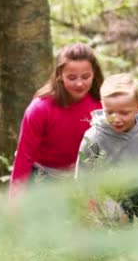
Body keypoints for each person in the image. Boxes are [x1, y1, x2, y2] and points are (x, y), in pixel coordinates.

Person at [8, 43, 104, 199]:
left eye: (86, 76)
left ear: (94, 74)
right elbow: (24, 156)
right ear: (60, 75)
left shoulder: (101, 104)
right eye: (72, 77)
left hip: (84, 176)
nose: (79, 83)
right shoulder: (40, 108)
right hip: (43, 177)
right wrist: (15, 199)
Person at [75, 73, 138, 221]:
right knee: (120, 223)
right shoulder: (95, 137)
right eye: (110, 112)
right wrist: (100, 201)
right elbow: (84, 174)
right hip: (110, 192)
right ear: (102, 107)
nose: (116, 118)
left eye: (124, 113)